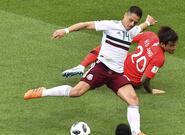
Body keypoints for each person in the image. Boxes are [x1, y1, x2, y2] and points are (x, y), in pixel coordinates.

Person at [24, 6, 156, 135]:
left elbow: (140, 28)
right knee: (75, 92)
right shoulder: (110, 25)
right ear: (125, 14)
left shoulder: (132, 30)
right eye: (130, 20)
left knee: (133, 99)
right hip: (101, 68)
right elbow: (85, 25)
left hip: (117, 74)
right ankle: (43, 92)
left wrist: (148, 22)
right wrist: (66, 30)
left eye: (135, 22)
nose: (131, 24)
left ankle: (136, 132)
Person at [62, 26, 178, 94]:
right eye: (171, 45)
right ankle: (92, 69)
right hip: (130, 79)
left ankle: (82, 66)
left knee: (106, 47)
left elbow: (127, 39)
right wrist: (150, 91)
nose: (174, 48)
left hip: (125, 64)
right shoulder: (160, 58)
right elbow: (144, 80)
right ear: (162, 44)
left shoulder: (149, 35)